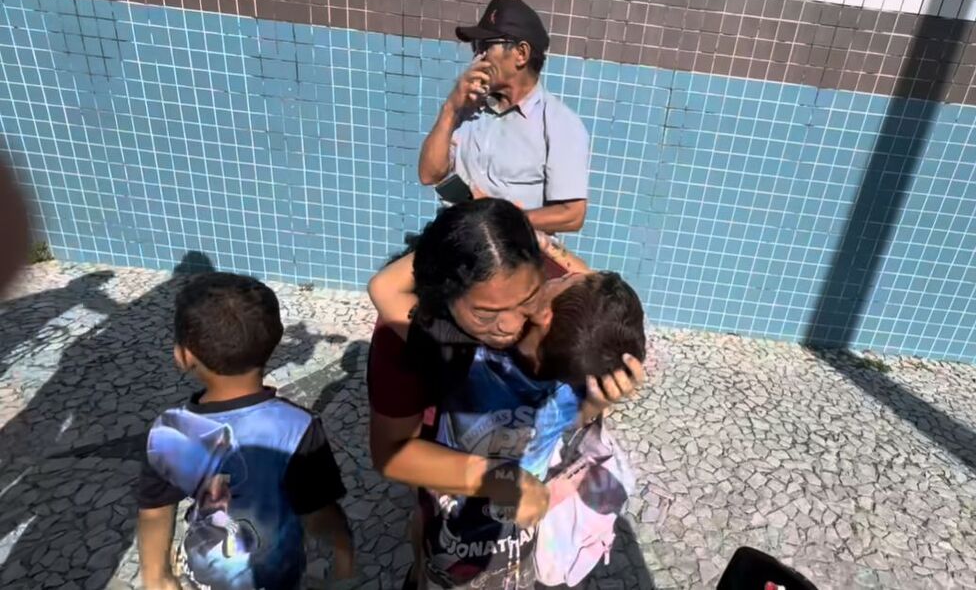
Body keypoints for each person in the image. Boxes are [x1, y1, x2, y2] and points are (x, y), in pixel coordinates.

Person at [367, 199, 645, 587]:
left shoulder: (548, 317)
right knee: (433, 538)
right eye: (485, 313)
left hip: (509, 517)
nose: (512, 326)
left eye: (529, 299)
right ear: (444, 293)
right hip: (459, 495)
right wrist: (477, 232)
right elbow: (395, 454)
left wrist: (596, 400)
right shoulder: (447, 345)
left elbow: (594, 293)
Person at [135, 272, 356, 590]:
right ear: (275, 341)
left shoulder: (167, 432)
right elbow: (320, 513)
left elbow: (154, 513)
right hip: (280, 577)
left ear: (183, 356)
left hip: (204, 579)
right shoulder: (298, 428)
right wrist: (343, 556)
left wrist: (157, 578)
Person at [418, 0, 590, 234]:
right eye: (475, 47)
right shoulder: (466, 106)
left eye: (485, 45)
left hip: (512, 257)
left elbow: (572, 215)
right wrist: (450, 107)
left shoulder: (560, 124)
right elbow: (429, 174)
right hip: (455, 242)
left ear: (521, 53)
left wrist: (498, 219)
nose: (478, 57)